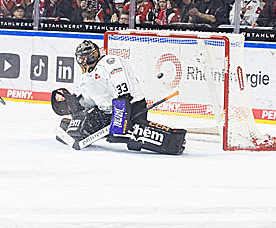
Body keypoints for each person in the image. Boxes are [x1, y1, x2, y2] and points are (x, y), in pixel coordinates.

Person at [50, 40, 185, 155]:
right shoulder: (85, 77)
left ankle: (174, 140)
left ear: (92, 55)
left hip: (131, 106)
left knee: (133, 141)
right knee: (85, 129)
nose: (82, 61)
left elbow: (123, 89)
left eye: (84, 57)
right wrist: (77, 104)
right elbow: (90, 100)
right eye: (80, 58)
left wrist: (120, 115)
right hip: (107, 112)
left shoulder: (110, 62)